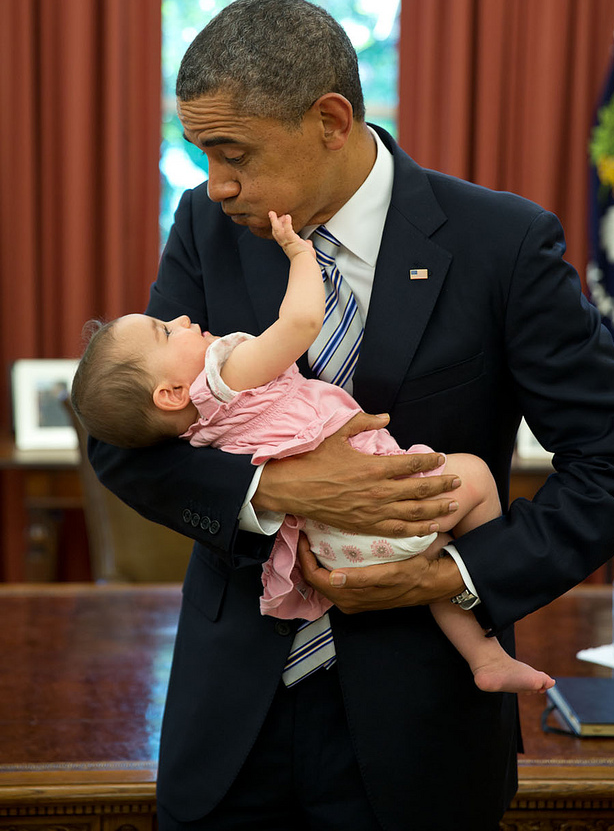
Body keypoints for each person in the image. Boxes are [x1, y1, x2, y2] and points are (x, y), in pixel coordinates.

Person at [89, 0, 614, 831]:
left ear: (330, 119)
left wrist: (452, 577)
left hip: (423, 728)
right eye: (199, 153)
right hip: (228, 732)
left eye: (232, 152)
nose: (214, 184)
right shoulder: (205, 228)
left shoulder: (500, 245)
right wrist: (281, 490)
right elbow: (125, 439)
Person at [72, 210, 555, 697]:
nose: (179, 319)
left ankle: (483, 657)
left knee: (431, 558)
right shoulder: (223, 378)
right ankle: (484, 617)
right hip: (383, 506)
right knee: (473, 479)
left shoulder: (192, 429)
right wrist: (301, 255)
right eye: (165, 332)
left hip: (331, 550)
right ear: (173, 394)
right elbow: (300, 322)